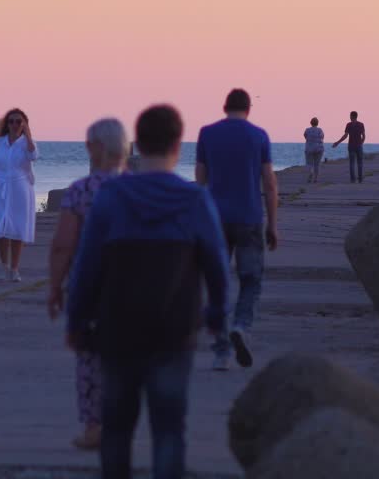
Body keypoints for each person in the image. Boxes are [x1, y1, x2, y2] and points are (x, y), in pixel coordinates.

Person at [68, 104, 228, 479]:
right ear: (178, 143)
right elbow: (217, 266)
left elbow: (87, 265)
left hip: (117, 327)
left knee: (117, 426)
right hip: (175, 328)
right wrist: (218, 316)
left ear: (137, 144)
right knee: (169, 427)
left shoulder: (112, 197)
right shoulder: (194, 200)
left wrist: (76, 319)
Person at [47, 118, 129, 451]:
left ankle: (95, 427)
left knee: (90, 358)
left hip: (91, 287)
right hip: (134, 287)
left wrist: (55, 286)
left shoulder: (81, 190)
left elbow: (64, 244)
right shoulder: (136, 188)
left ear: (97, 147)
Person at [195, 88, 279, 371]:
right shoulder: (259, 136)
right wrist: (273, 224)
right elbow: (269, 183)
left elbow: (200, 182)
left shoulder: (207, 134)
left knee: (217, 283)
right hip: (250, 218)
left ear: (224, 107)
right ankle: (241, 326)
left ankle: (221, 352)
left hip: (215, 219)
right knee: (251, 280)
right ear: (248, 109)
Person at [0, 108, 39, 283]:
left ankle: (15, 268)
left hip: (21, 188)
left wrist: (29, 136)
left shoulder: (27, 143)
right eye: (11, 121)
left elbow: (34, 156)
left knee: (17, 227)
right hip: (0, 187)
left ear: (24, 124)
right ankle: (4, 266)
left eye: (19, 121)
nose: (15, 124)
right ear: (6, 124)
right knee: (1, 225)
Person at [331, 111, 366, 184]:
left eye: (350, 116)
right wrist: (361, 143)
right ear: (357, 116)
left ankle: (353, 180)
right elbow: (364, 136)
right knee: (360, 163)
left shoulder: (349, 125)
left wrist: (338, 142)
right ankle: (360, 179)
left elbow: (345, 136)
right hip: (359, 145)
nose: (349, 117)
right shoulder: (361, 124)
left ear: (351, 116)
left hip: (351, 146)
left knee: (352, 163)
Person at [303, 118, 325, 183]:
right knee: (317, 164)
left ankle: (310, 173)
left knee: (309, 163)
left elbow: (305, 136)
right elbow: (322, 137)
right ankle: (315, 178)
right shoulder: (320, 130)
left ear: (311, 123)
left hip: (309, 148)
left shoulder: (307, 130)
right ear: (317, 123)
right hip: (319, 148)